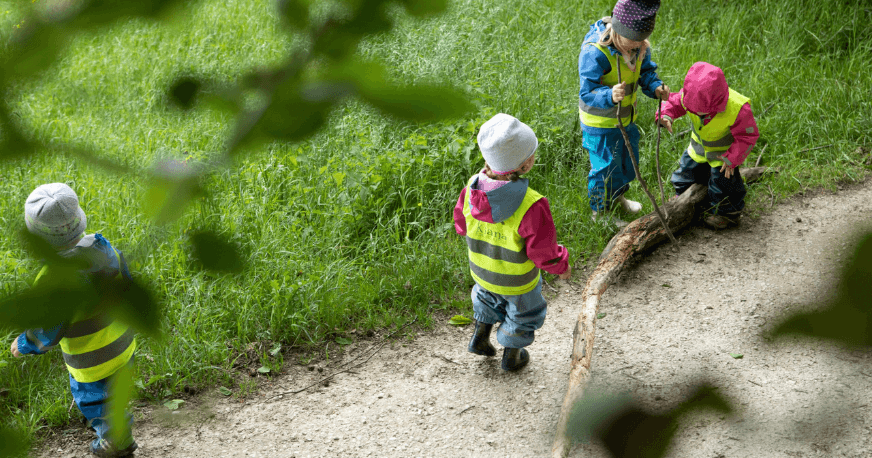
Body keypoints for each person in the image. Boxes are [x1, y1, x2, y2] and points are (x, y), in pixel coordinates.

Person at [9, 183, 138, 457]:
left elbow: (49, 327)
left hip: (92, 361)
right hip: (123, 344)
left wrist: (26, 343)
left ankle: (117, 441)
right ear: (79, 220)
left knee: (95, 401)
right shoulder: (104, 248)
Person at [452, 113, 571, 371]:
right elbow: (542, 251)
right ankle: (512, 357)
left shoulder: (472, 190)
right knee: (524, 312)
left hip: (482, 271)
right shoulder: (532, 204)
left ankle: (480, 337)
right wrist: (561, 265)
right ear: (526, 165)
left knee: (486, 298)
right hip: (517, 281)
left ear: (487, 159)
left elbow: (460, 224)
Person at [578, 0, 669, 226]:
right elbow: (587, 91)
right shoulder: (595, 52)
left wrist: (655, 87)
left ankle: (618, 198)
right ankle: (600, 212)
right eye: (633, 41)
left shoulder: (638, 46)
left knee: (626, 162)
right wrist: (608, 95)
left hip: (626, 120)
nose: (637, 46)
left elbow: (645, 73)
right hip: (600, 125)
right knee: (605, 168)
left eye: (641, 41)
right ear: (618, 31)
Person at [655, 62, 760, 229]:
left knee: (724, 184)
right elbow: (674, 103)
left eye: (700, 111)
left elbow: (747, 135)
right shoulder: (688, 97)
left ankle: (726, 213)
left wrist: (733, 158)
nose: (695, 112)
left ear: (716, 103)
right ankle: (682, 200)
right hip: (697, 149)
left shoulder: (737, 108)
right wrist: (666, 115)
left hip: (723, 155)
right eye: (692, 108)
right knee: (685, 174)